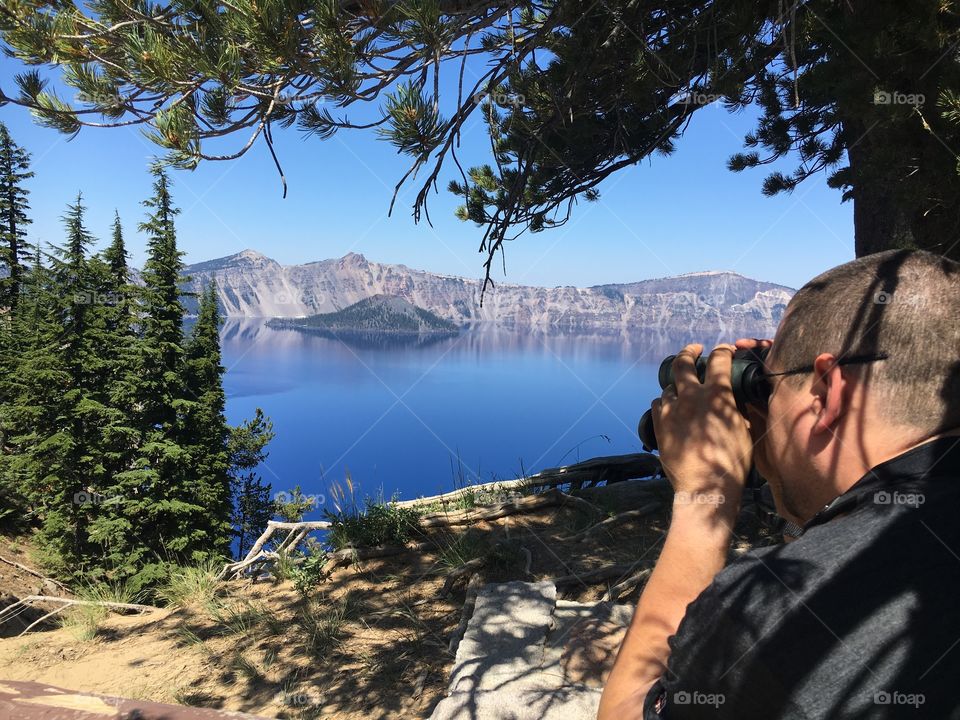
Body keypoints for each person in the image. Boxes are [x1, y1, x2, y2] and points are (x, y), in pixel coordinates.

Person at [598, 249, 960, 719]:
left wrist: (704, 500)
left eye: (772, 386)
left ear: (828, 392)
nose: (764, 405)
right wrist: (780, 458)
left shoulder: (772, 615)